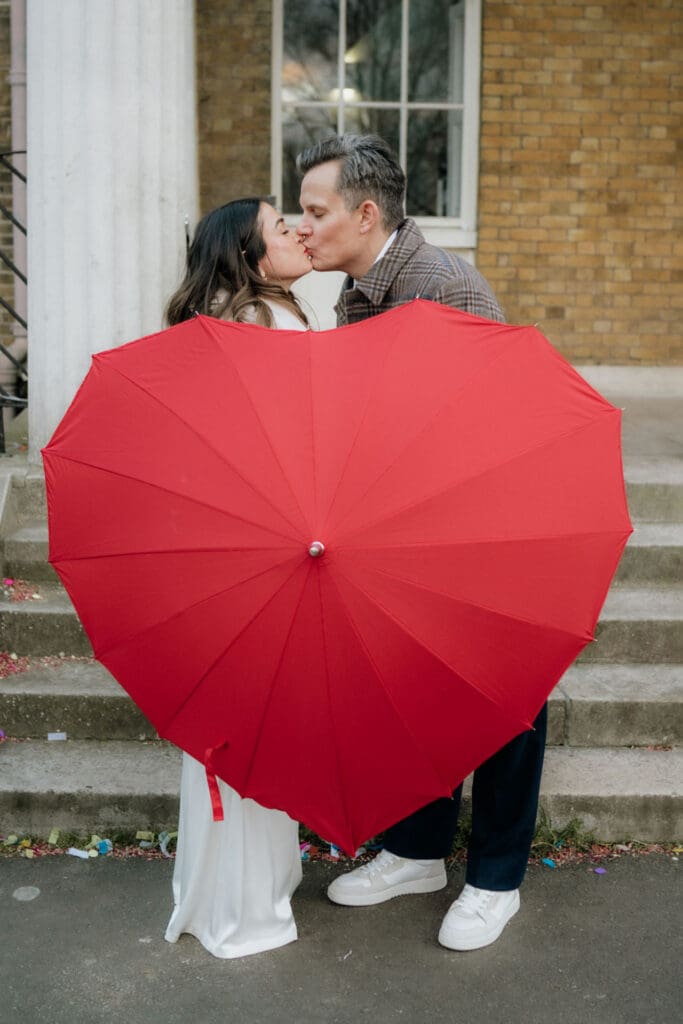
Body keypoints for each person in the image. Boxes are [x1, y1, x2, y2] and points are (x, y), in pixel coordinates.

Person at [296, 134, 547, 952]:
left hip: (485, 536)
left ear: (366, 214)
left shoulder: (438, 290)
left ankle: (495, 878)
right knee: (410, 691)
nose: (304, 228)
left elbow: (483, 431)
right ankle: (416, 850)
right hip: (404, 535)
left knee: (505, 703)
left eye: (315, 211)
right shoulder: (362, 289)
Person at [163, 197, 313, 958]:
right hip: (270, 554)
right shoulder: (269, 324)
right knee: (258, 728)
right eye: (280, 228)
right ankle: (245, 904)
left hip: (228, 557)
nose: (296, 231)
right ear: (252, 258)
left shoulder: (227, 321)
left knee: (232, 730)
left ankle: (232, 888)